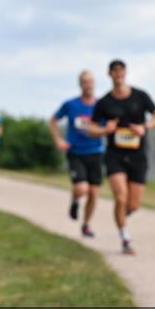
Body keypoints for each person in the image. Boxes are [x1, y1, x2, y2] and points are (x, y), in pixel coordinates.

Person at [87, 60, 155, 254]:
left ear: (126, 73)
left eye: (121, 71)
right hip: (115, 155)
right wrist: (105, 129)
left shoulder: (140, 96)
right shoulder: (104, 102)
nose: (118, 75)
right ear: (109, 74)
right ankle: (125, 238)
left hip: (138, 154)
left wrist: (144, 128)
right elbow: (92, 128)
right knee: (120, 197)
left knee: (133, 204)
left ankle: (122, 216)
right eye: (114, 71)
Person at [50, 70, 105, 238]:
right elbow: (53, 120)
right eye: (84, 82)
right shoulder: (71, 104)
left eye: (90, 82)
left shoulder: (101, 106)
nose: (88, 85)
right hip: (75, 152)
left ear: (94, 84)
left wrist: (102, 130)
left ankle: (86, 224)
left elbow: (105, 127)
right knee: (82, 189)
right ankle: (75, 201)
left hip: (95, 152)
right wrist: (58, 140)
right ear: (80, 84)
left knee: (94, 192)